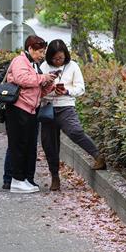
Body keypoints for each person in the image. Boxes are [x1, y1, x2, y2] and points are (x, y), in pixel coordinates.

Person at [39, 39, 106, 191]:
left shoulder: (73, 66)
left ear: (66, 56)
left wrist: (67, 91)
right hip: (47, 107)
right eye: (55, 58)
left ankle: (98, 156)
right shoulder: (43, 66)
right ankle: (55, 177)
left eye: (61, 58)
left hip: (66, 106)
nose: (57, 61)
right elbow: (38, 88)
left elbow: (80, 88)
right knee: (49, 144)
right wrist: (49, 89)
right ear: (49, 56)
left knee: (75, 131)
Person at [4, 35, 54, 193]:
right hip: (18, 108)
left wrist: (50, 84)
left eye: (42, 52)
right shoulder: (20, 61)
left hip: (31, 109)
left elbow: (36, 88)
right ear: (30, 49)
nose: (41, 55)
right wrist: (42, 77)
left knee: (28, 146)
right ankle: (16, 180)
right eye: (39, 51)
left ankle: (24, 179)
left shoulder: (33, 64)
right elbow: (22, 79)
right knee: (18, 145)